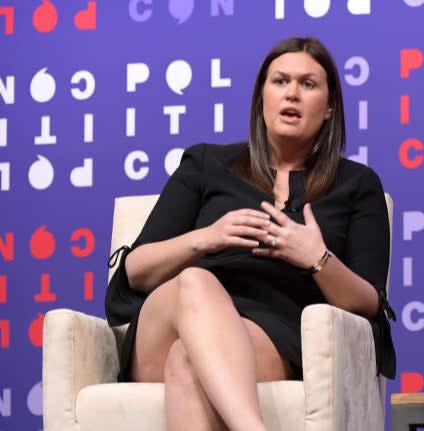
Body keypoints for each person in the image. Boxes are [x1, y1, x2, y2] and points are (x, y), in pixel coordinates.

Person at [105, 36, 396, 431]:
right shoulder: (206, 164)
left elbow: (367, 302)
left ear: (329, 109)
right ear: (262, 96)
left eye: (308, 84)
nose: (291, 93)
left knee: (189, 361)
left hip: (270, 335)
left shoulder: (357, 184)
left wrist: (317, 259)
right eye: (280, 81)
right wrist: (206, 238)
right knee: (194, 281)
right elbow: (136, 269)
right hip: (168, 319)